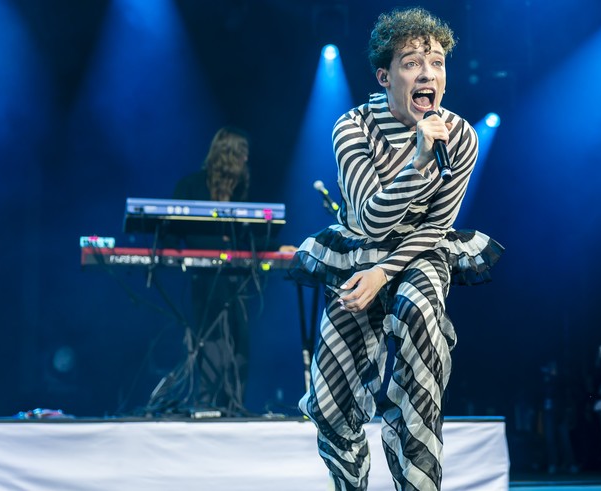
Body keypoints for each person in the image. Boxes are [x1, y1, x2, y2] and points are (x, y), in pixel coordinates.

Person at [286, 7, 503, 490]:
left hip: (419, 253)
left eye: (437, 63)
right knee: (330, 402)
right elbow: (370, 219)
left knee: (418, 323)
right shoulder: (353, 127)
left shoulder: (461, 135)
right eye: (412, 63)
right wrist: (418, 161)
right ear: (385, 77)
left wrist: (385, 273)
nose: (428, 73)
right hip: (358, 250)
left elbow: (438, 226)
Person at [168, 126, 261, 415]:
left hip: (234, 278)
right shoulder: (191, 186)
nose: (246, 160)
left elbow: (249, 235)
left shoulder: (239, 189)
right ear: (229, 155)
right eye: (242, 153)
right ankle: (207, 404)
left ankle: (234, 406)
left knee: (240, 344)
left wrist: (275, 246)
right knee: (211, 342)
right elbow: (171, 232)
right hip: (204, 279)